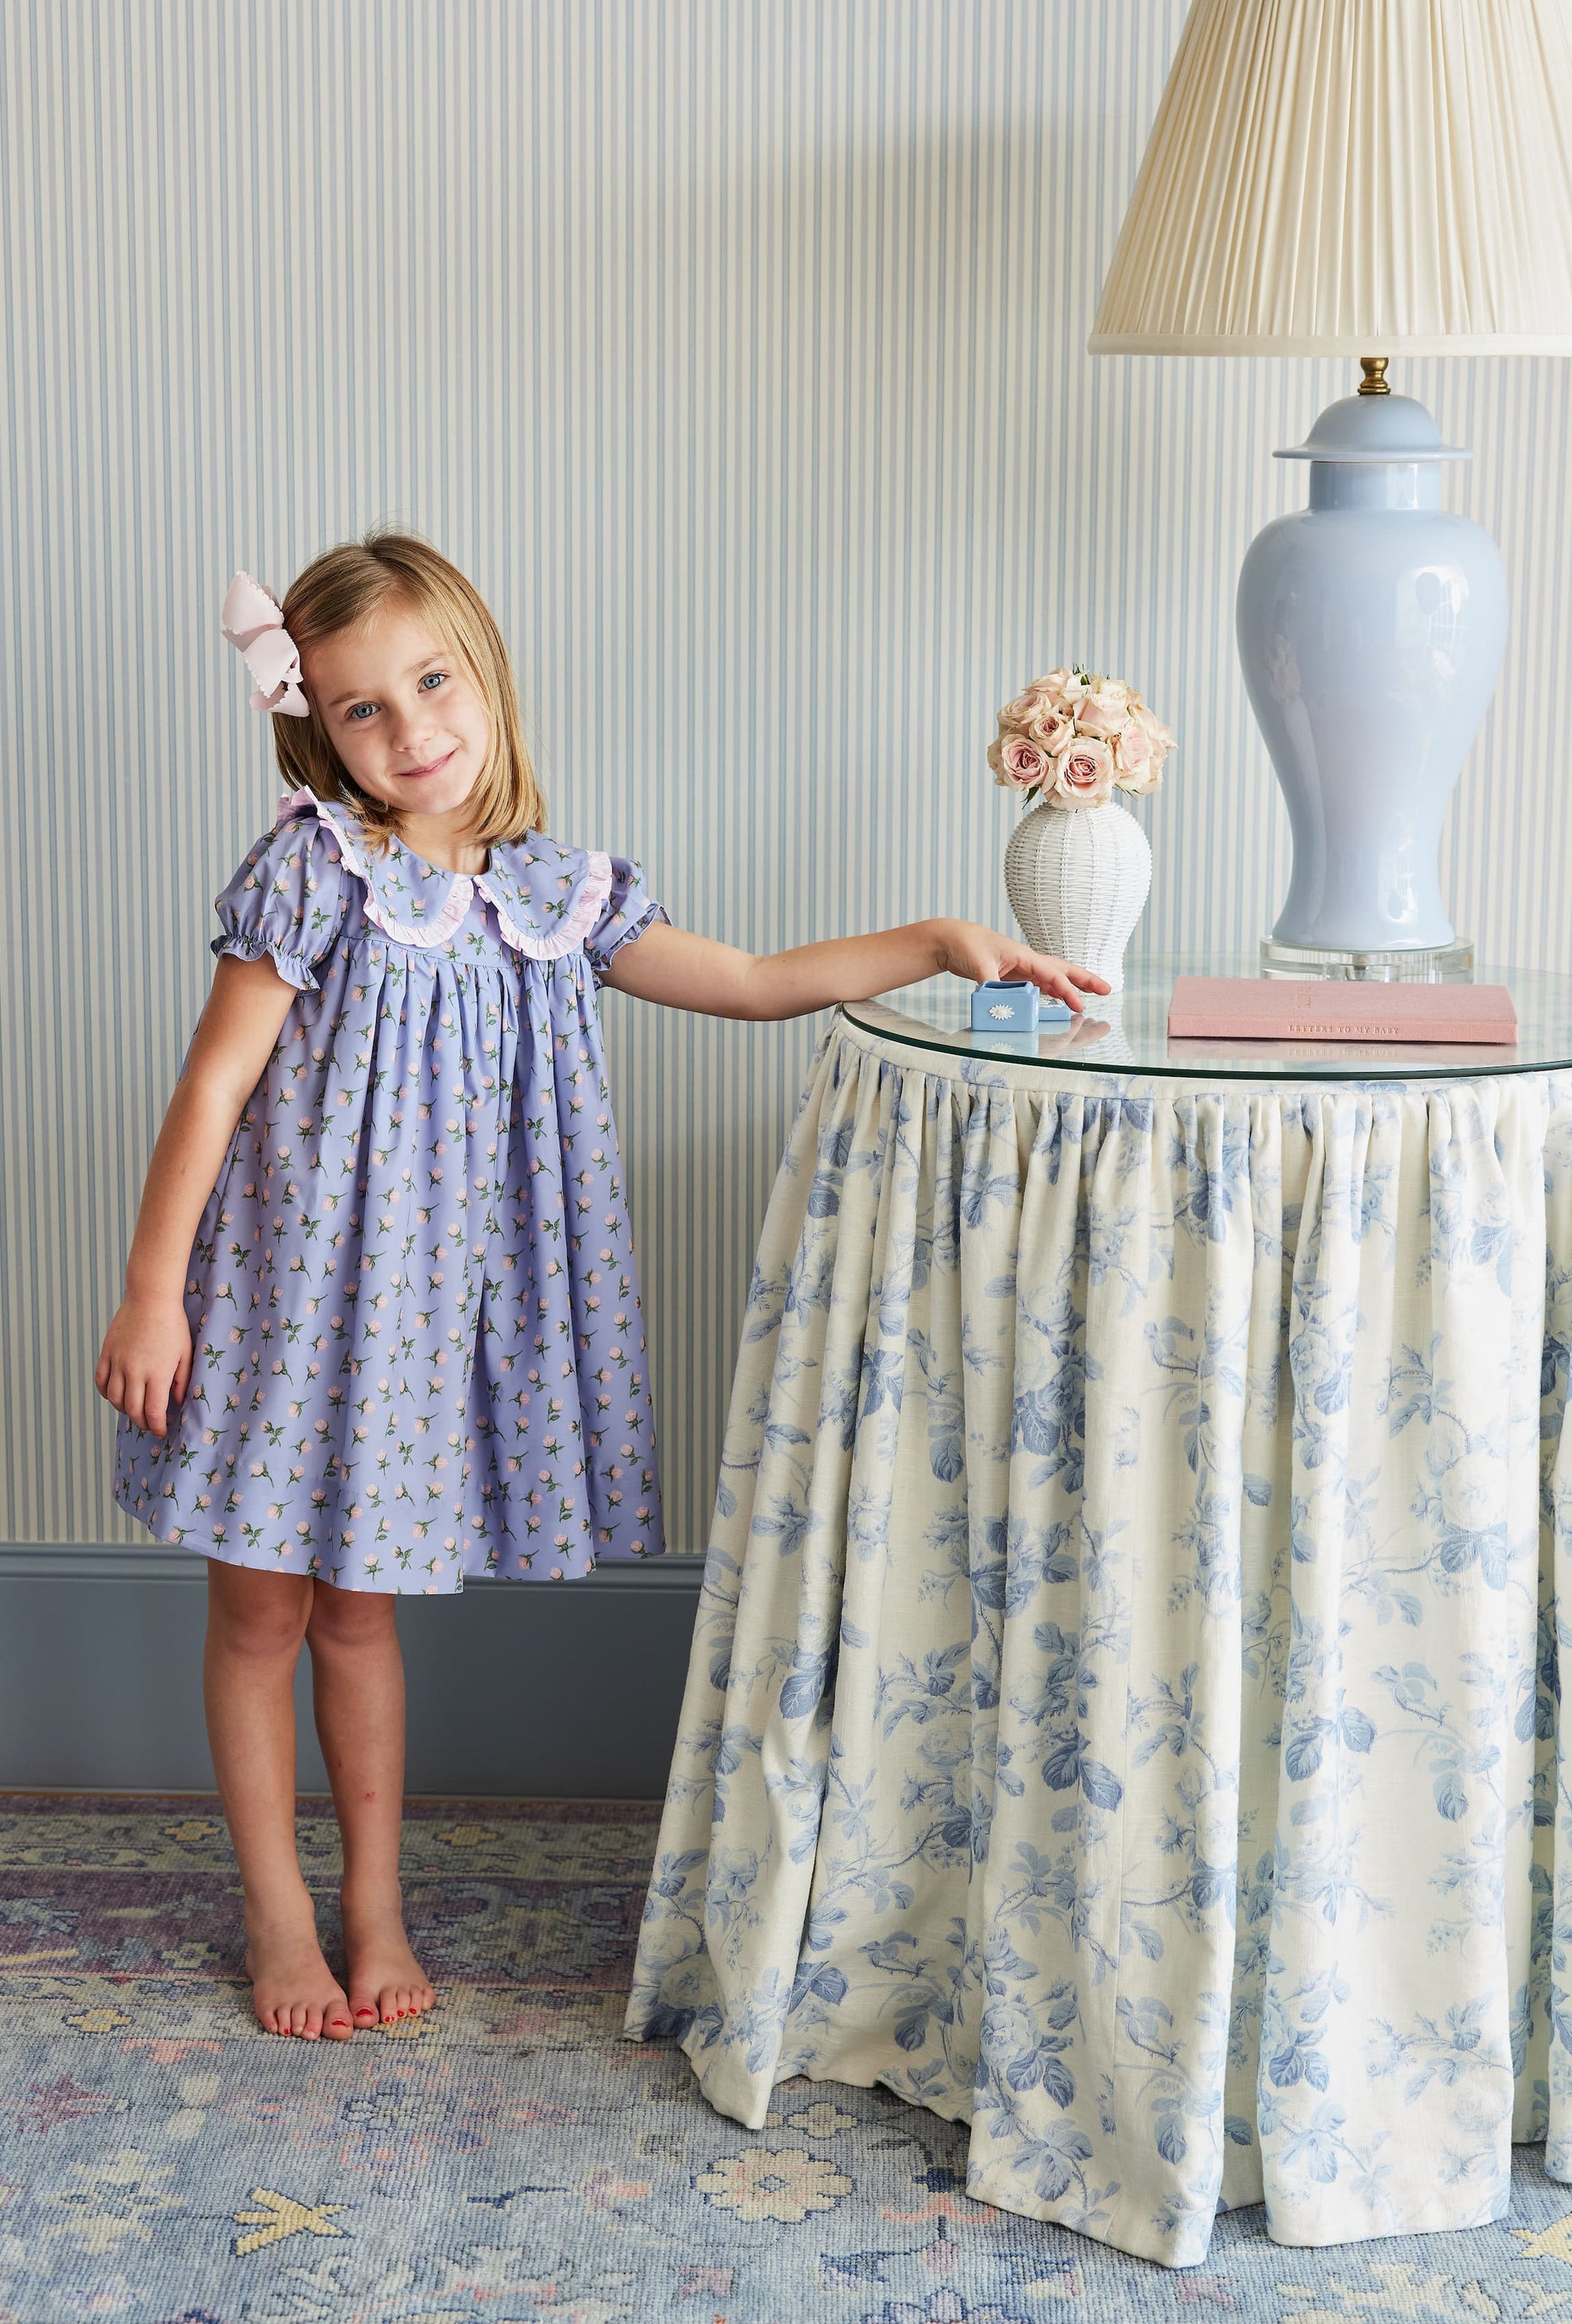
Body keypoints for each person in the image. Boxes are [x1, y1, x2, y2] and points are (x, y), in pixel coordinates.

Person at [96, 530, 1106, 2043]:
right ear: (317, 721)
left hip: (413, 1338)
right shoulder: (313, 872)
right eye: (363, 707)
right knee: (259, 1617)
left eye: (432, 682)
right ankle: (279, 1909)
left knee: (361, 1620)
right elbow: (210, 1090)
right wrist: (150, 1293)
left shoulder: (556, 898)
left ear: (484, 674)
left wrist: (945, 938)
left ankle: (373, 1900)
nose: (412, 728)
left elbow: (757, 980)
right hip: (274, 1307)